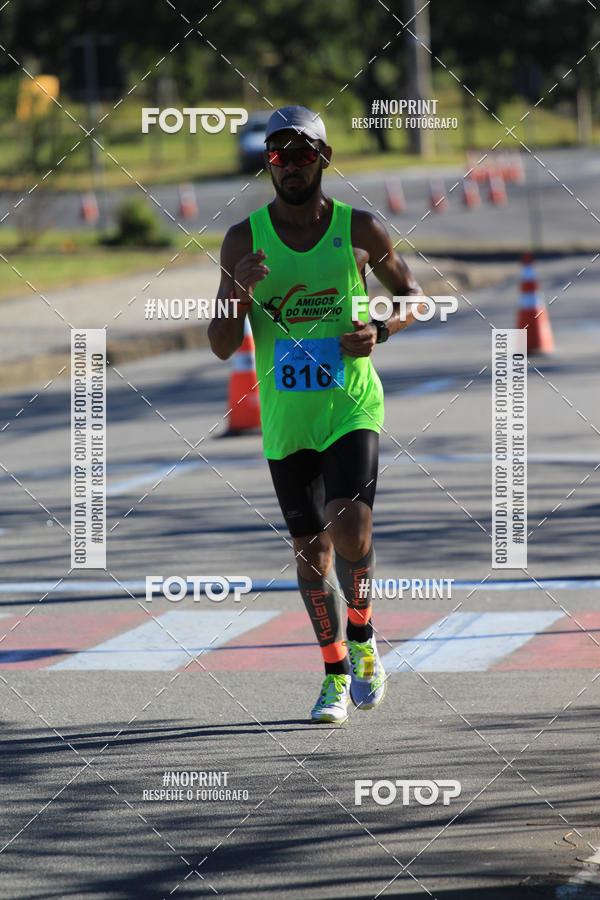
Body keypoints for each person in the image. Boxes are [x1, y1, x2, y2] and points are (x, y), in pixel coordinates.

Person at [208, 105, 424, 724]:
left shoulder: (360, 230)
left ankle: (363, 636)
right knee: (310, 552)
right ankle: (334, 673)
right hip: (286, 419)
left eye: (302, 154)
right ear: (267, 164)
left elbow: (414, 297)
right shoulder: (243, 240)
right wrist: (235, 295)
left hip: (349, 403)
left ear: (324, 159)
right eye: (278, 155)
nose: (289, 166)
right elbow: (222, 344)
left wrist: (380, 329)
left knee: (349, 529)